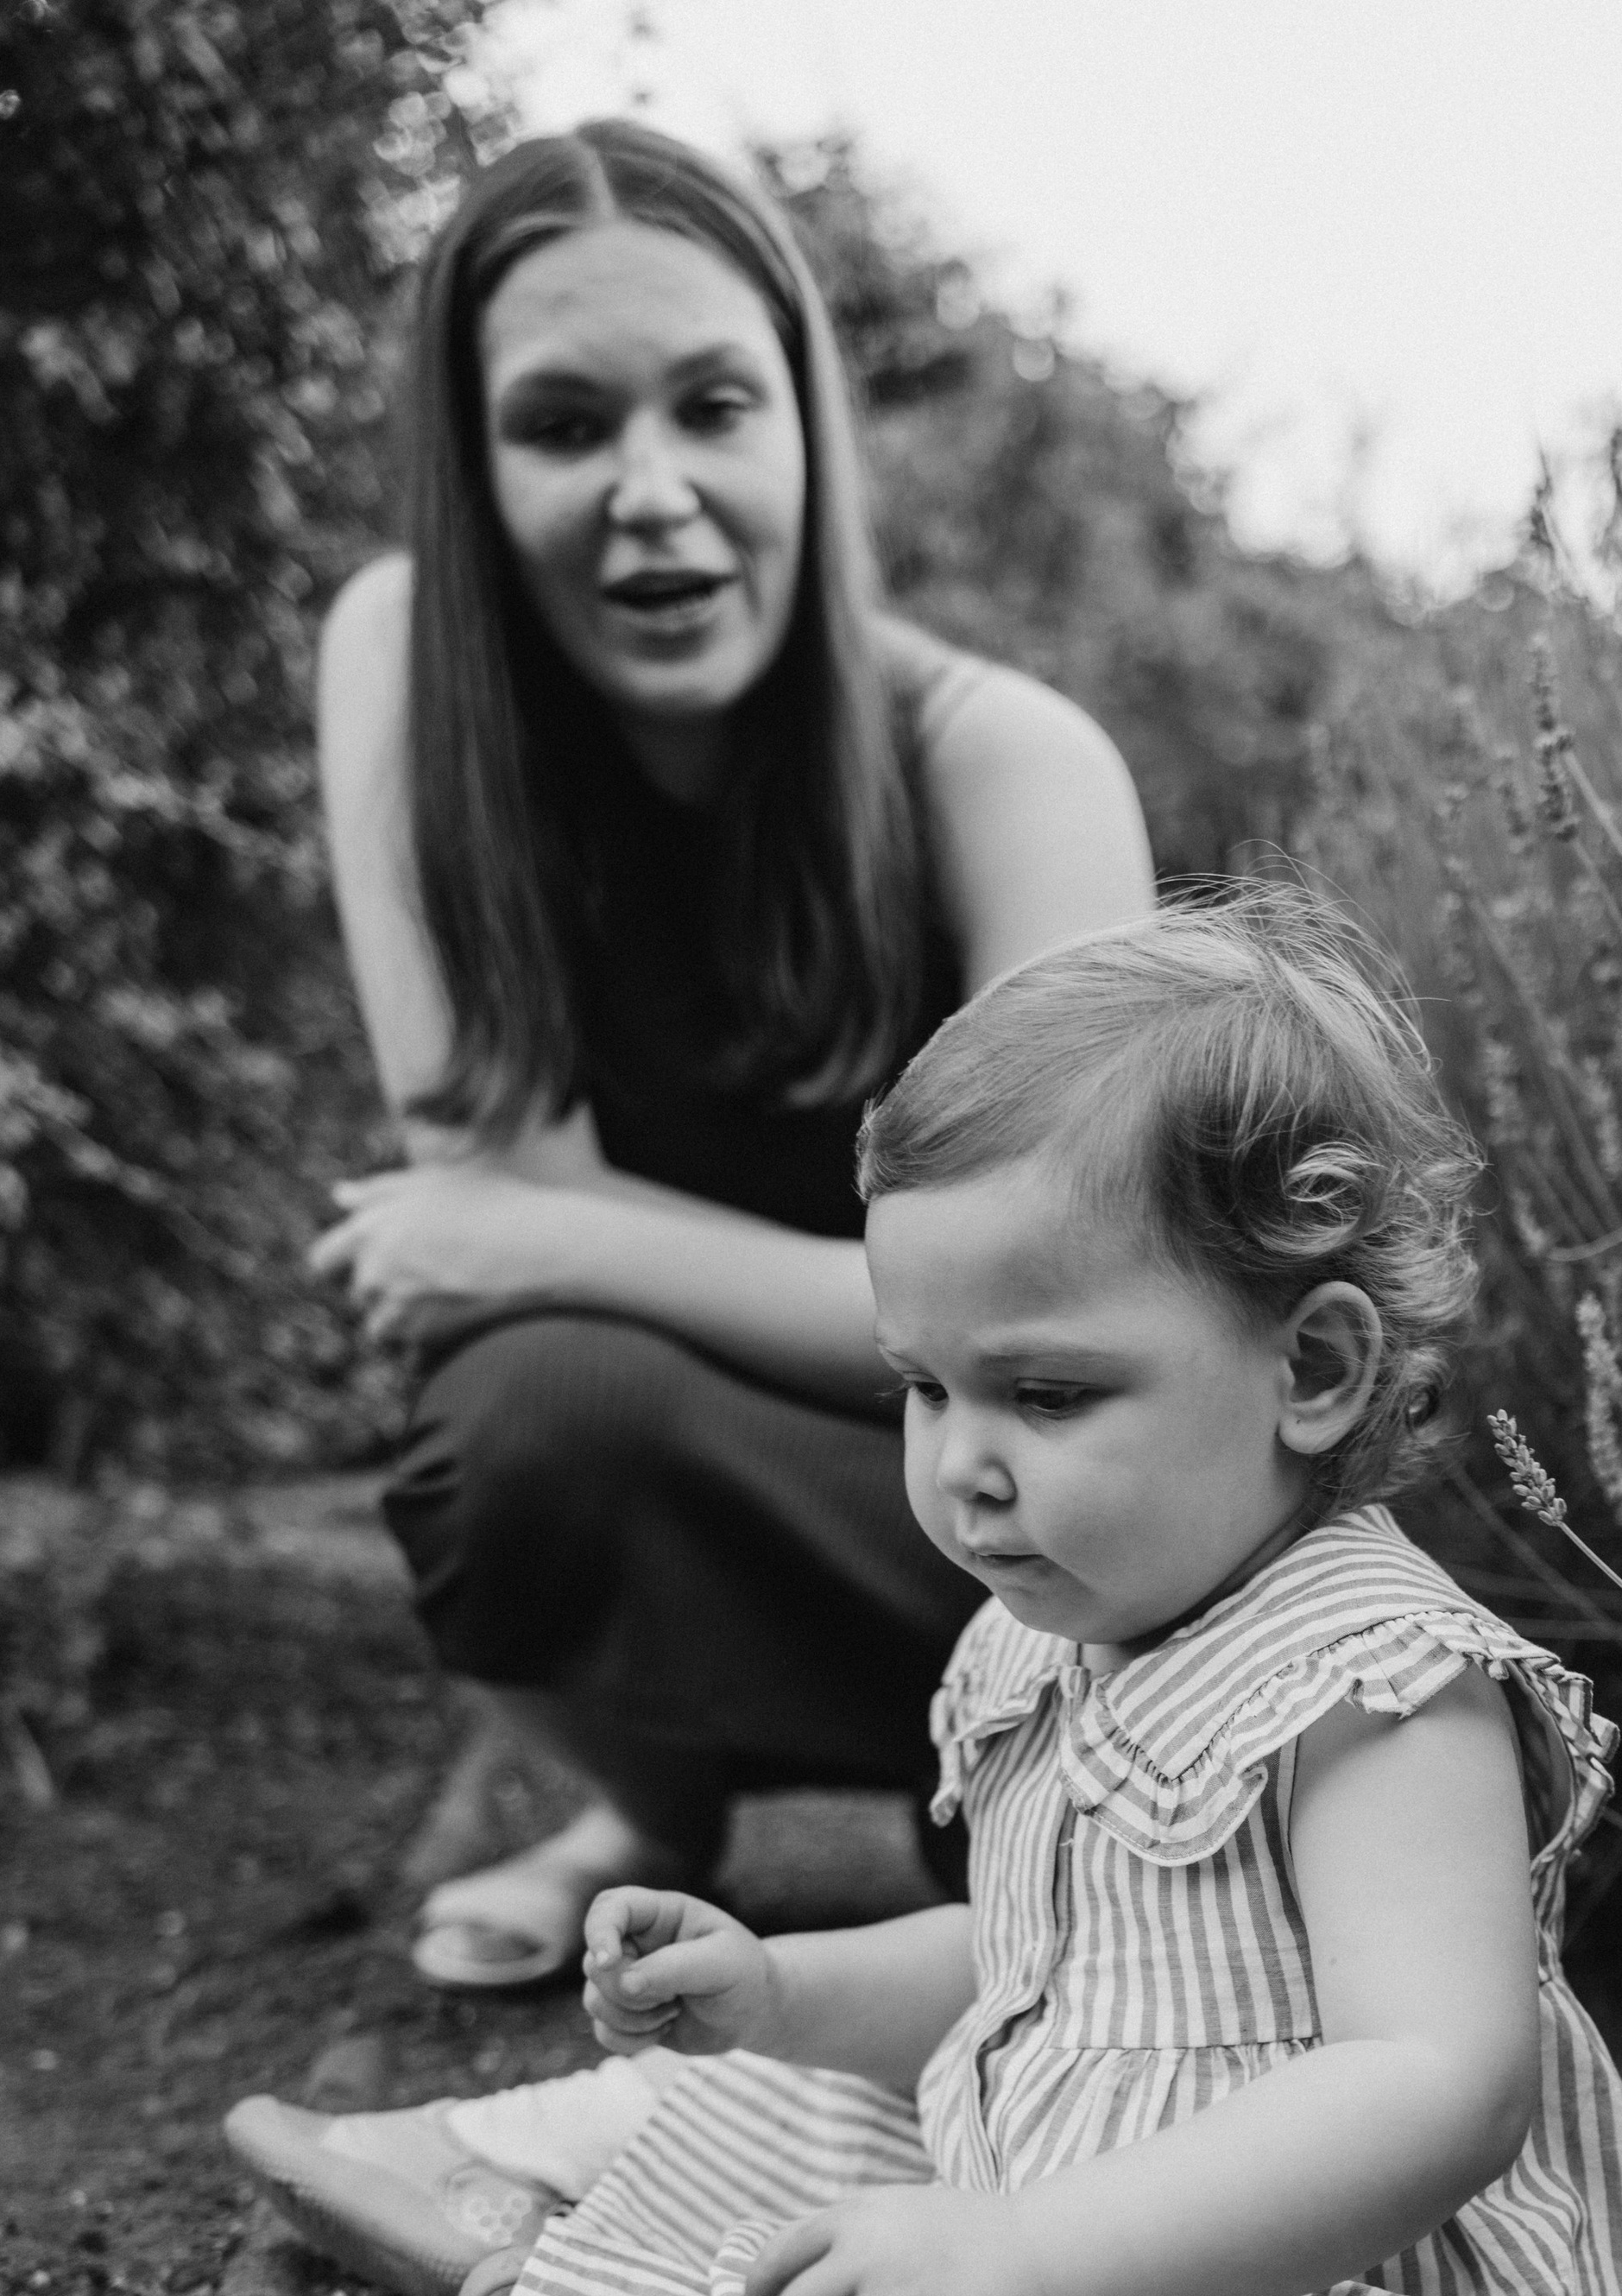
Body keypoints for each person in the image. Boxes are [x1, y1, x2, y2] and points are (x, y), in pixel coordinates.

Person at [414, 901, 1622, 2296]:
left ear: (1311, 1368)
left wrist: (1031, 2256)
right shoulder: (1049, 1626)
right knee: (765, 2142)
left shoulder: (1375, 1692)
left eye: (1040, 1393)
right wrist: (779, 1990)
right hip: (1051, 2213)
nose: (959, 1461)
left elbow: (1432, 2087)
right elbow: (1033, 1962)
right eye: (921, 1387)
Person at [307, 118, 1154, 1994]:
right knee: (515, 1422)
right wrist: (537, 1248)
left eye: (710, 405)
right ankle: (650, 1812)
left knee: (1066, 1795)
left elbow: (1068, 1332)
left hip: (1028, 1526)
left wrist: (564, 1242)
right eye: (559, 424)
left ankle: (996, 1856)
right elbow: (487, 1205)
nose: (651, 492)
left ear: (802, 426)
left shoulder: (1006, 768)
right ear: (466, 466)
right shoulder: (402, 671)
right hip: (715, 1440)